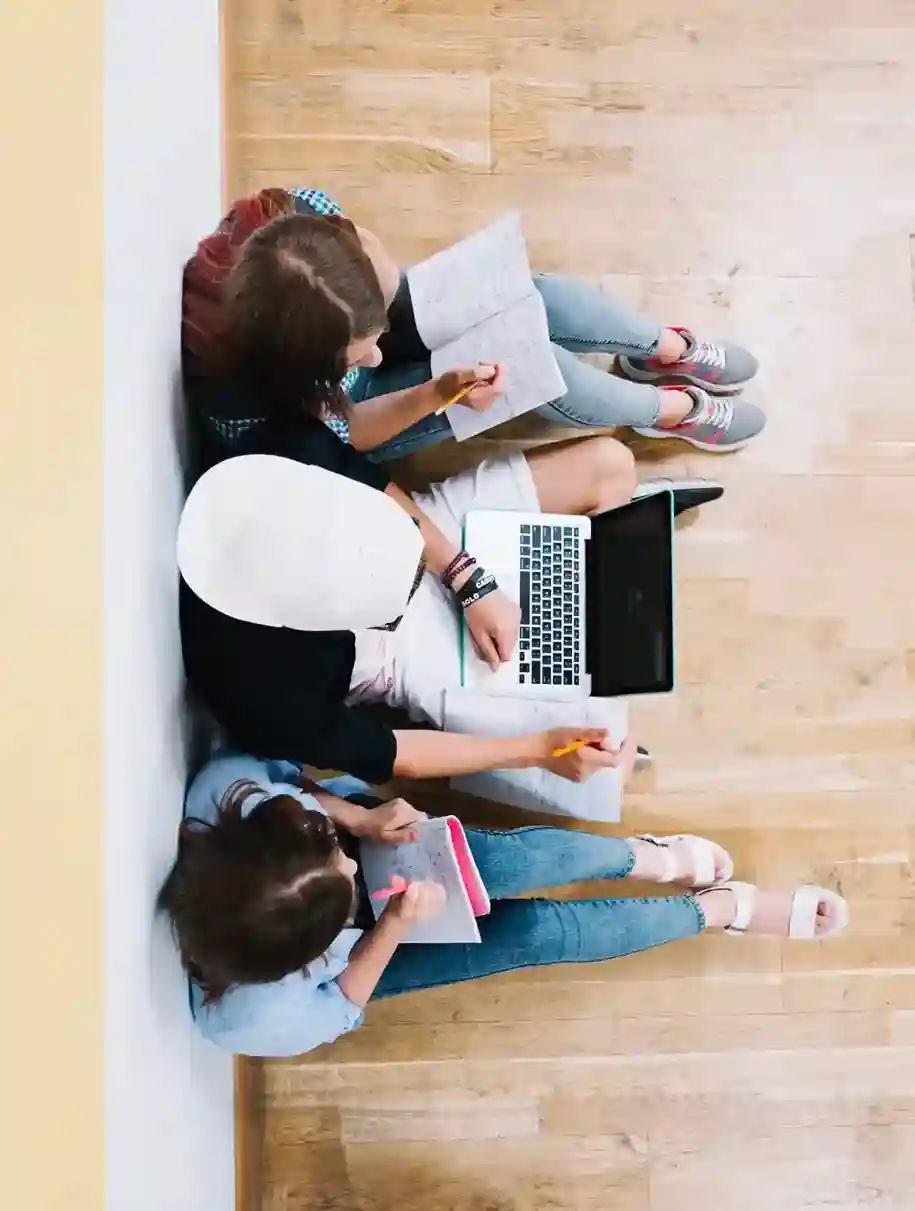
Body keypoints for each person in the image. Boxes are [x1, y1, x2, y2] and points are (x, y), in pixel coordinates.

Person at [158, 751, 849, 1058]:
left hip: (364, 849)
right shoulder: (249, 1017)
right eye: (340, 868)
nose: (345, 862)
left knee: (521, 862)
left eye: (325, 848)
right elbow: (338, 1005)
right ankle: (714, 912)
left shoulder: (230, 790)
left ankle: (645, 855)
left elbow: (290, 781)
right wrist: (391, 925)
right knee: (536, 932)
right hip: (360, 958)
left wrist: (356, 824)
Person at [181, 186, 764, 497]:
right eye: (361, 353)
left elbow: (375, 289)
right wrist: (437, 391)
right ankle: (667, 410)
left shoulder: (295, 225)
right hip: (358, 416)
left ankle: (660, 347)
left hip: (334, 334)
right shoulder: (260, 411)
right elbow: (350, 431)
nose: (377, 353)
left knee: (528, 297)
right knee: (534, 364)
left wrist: (386, 310)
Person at [178, 444, 658, 813]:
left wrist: (468, 579)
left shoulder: (266, 466)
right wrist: (538, 750)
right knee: (603, 774)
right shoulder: (262, 701)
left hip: (430, 546)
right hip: (396, 660)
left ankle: (586, 571)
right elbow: (394, 753)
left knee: (610, 465)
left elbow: (372, 483)